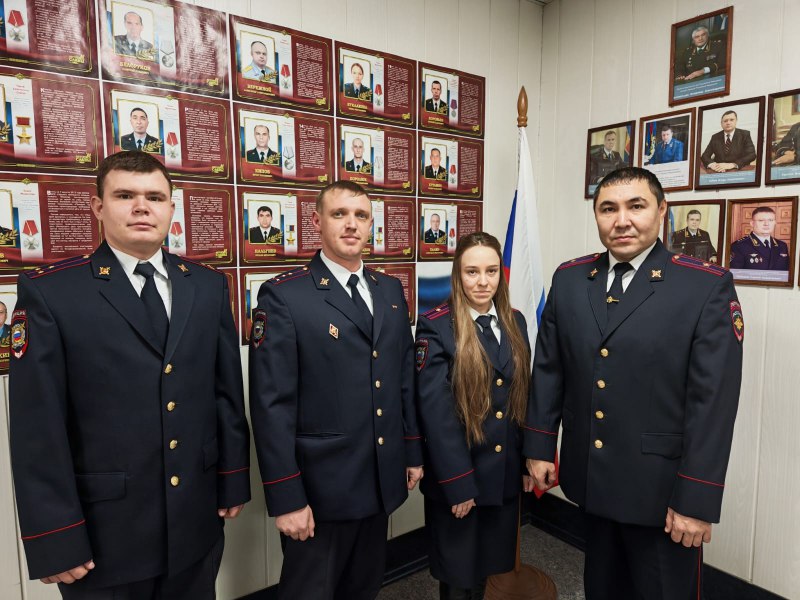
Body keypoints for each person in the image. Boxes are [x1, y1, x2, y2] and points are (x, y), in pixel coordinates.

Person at [9, 151, 251, 597]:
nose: (142, 207)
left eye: (155, 197)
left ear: (171, 210)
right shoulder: (53, 293)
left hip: (195, 522)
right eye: (125, 195)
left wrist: (232, 479)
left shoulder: (206, 285)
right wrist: (53, 536)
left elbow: (225, 395)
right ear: (98, 207)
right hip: (106, 536)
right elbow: (36, 428)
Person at [526, 167, 743, 599]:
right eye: (608, 208)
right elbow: (549, 368)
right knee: (603, 590)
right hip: (591, 480)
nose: (621, 220)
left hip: (661, 495)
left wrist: (695, 501)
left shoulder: (703, 286)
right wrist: (538, 446)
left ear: (662, 211)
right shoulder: (570, 280)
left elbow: (712, 402)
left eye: (636, 206)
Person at [249, 181, 423, 600]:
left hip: (380, 477)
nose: (351, 225)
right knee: (311, 591)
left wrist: (412, 452)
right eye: (339, 214)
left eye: (361, 216)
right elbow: (271, 404)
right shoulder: (285, 295)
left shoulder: (389, 290)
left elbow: (403, 379)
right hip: (321, 489)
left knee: (362, 588)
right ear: (316, 222)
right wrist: (287, 496)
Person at [415, 232, 535, 600]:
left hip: (501, 478)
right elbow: (435, 414)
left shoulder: (514, 321)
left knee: (485, 571)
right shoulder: (436, 325)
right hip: (461, 477)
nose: (483, 282)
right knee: (457, 578)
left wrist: (528, 462)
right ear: (457, 275)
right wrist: (458, 482)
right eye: (472, 272)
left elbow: (523, 399)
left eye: (491, 271)